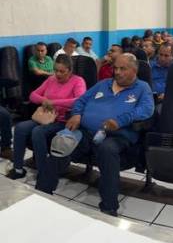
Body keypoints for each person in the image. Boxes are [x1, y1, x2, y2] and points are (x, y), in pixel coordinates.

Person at [36, 54, 154, 216]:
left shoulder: (142, 88)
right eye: (115, 68)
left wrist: (120, 120)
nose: (117, 72)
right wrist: (76, 114)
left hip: (116, 135)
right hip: (86, 131)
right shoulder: (103, 84)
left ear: (134, 70)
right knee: (62, 142)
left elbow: (146, 110)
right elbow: (81, 101)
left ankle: (109, 207)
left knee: (107, 149)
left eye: (123, 69)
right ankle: (42, 191)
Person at [7, 55, 86, 180]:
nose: (58, 74)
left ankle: (43, 172)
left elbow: (79, 100)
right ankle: (18, 168)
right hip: (45, 117)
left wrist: (53, 102)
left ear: (70, 70)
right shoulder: (51, 79)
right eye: (56, 70)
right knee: (20, 128)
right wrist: (44, 100)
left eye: (62, 71)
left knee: (38, 131)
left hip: (63, 121)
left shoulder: (78, 81)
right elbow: (33, 95)